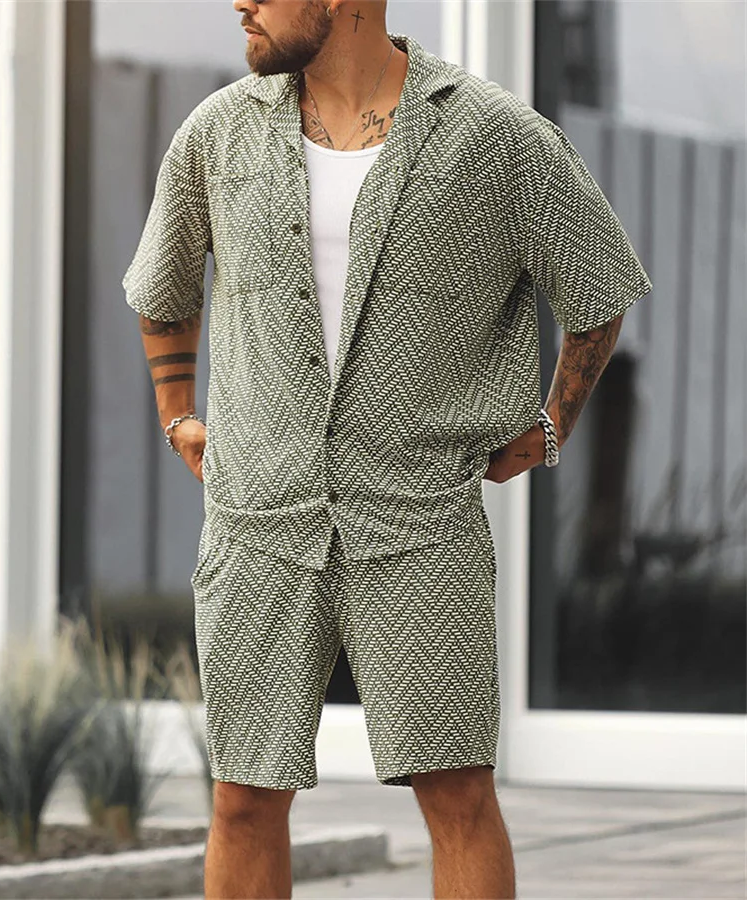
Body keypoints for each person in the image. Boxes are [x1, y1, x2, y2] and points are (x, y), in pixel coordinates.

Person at [122, 1, 653, 897]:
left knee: (457, 797)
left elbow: (599, 288)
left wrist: (552, 423)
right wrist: (178, 414)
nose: (239, 3)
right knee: (241, 799)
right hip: (257, 528)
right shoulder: (216, 133)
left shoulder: (494, 136)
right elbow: (162, 288)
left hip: (421, 526)